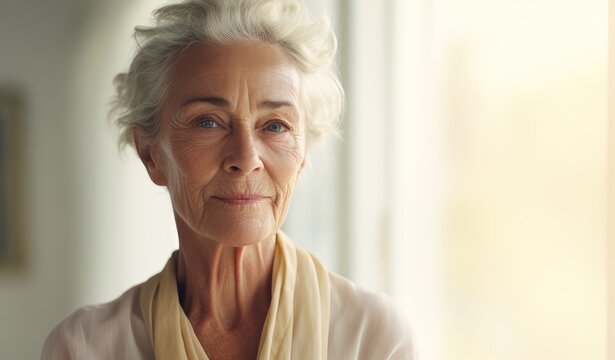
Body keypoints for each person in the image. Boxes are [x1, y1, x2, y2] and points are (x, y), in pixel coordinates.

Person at [41, 0, 415, 358]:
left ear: (301, 158)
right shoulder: (84, 347)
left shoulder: (372, 335)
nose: (246, 158)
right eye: (207, 122)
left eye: (275, 126)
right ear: (151, 154)